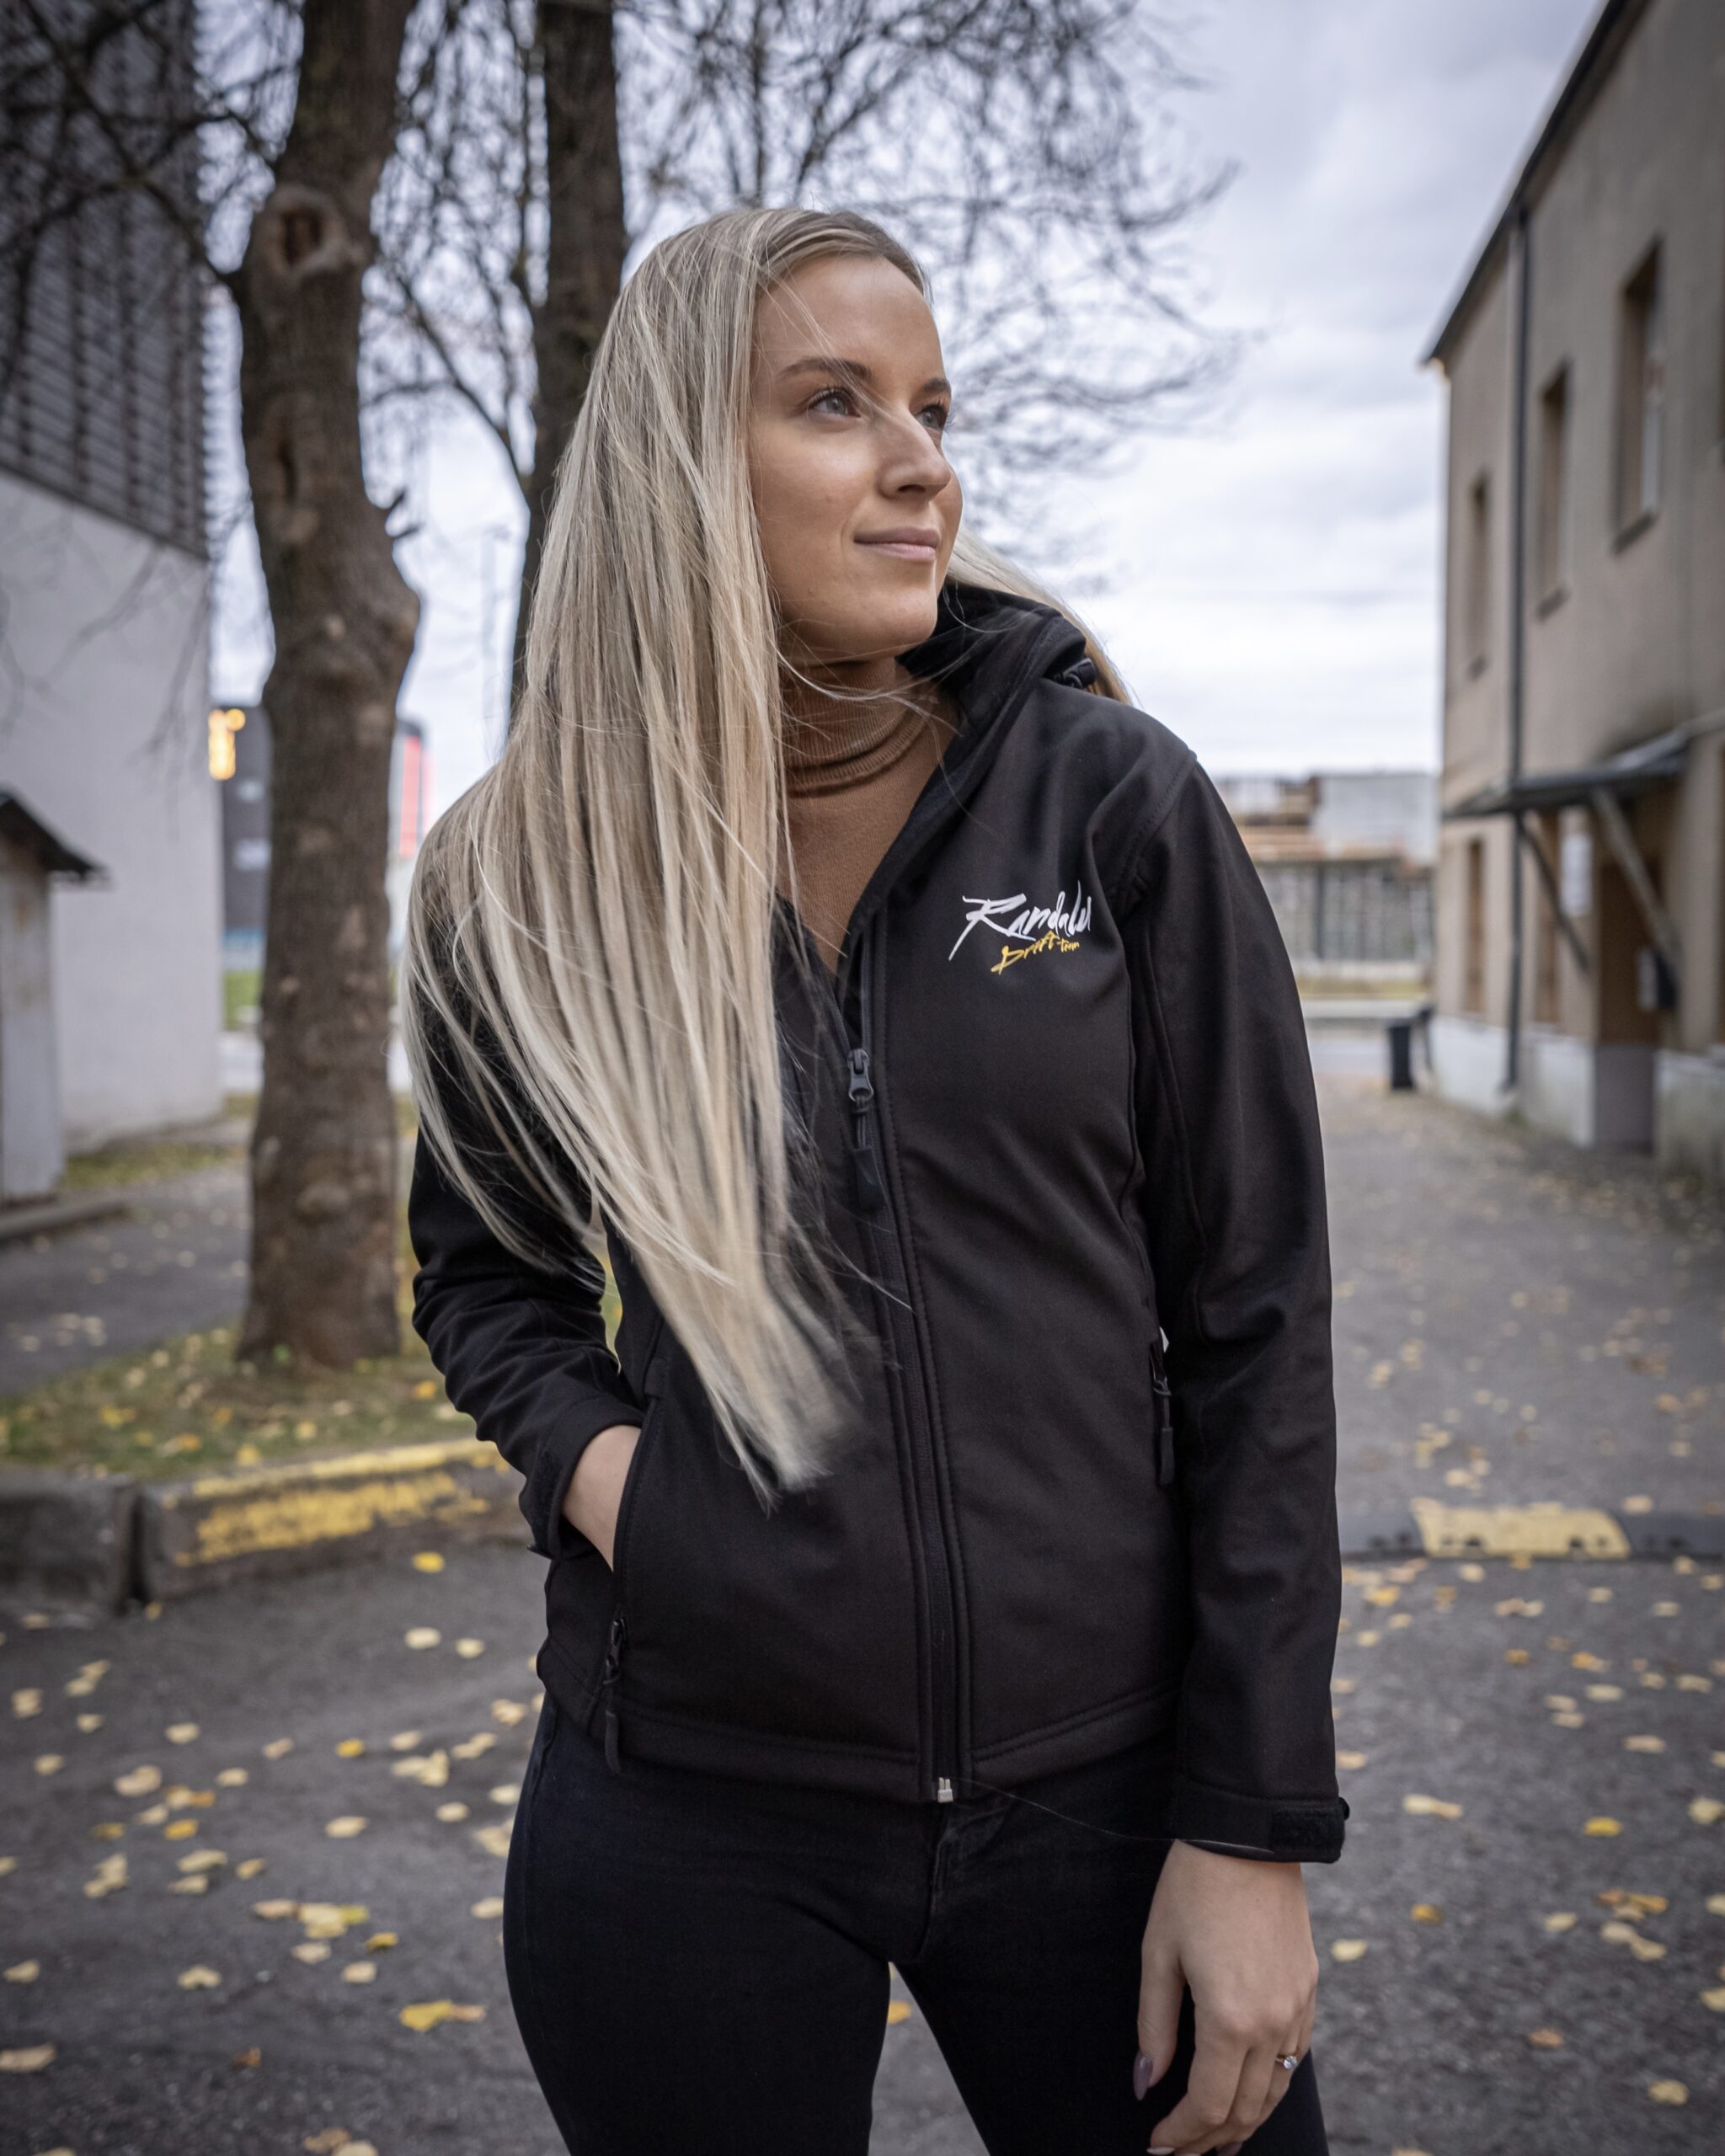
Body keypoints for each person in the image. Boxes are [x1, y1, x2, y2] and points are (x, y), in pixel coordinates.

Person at [402, 205, 1344, 2156]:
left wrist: (1249, 1824)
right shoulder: (531, 874)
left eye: (932, 406)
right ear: (681, 464)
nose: (921, 462)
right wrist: (632, 1492)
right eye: (836, 404)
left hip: (1100, 1791)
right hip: (684, 1806)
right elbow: (484, 1274)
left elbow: (1256, 1319)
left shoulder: (1107, 801)